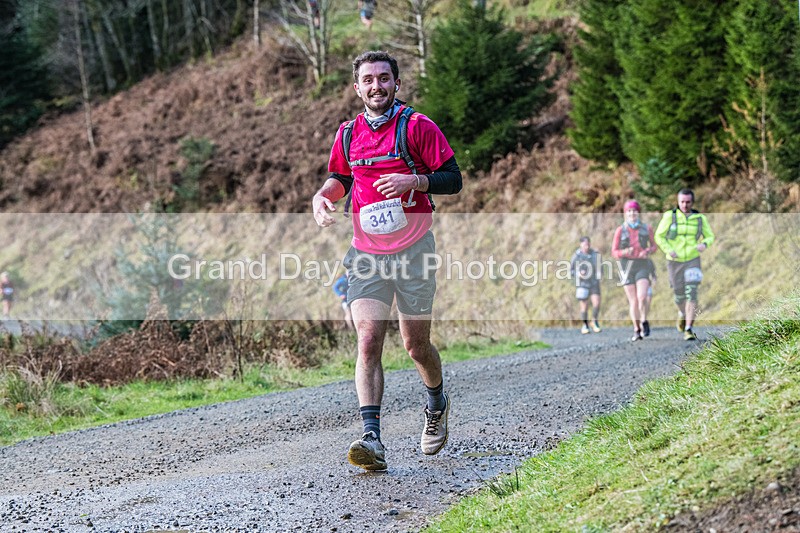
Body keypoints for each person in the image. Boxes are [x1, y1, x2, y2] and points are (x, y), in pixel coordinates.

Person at [312, 51, 462, 471]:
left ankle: (436, 403)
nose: (376, 86)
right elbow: (341, 178)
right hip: (366, 254)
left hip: (414, 251)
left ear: (397, 84)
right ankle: (372, 439)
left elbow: (453, 178)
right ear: (357, 87)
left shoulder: (417, 127)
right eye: (368, 80)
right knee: (368, 338)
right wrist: (322, 197)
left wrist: (413, 180)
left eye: (383, 78)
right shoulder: (347, 134)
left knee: (415, 346)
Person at [654, 188, 715, 341]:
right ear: (678, 201)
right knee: (678, 294)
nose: (685, 205)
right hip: (674, 261)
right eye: (682, 202)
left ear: (692, 202)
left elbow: (710, 236)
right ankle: (682, 313)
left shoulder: (700, 218)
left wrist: (704, 244)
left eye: (688, 202)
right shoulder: (670, 217)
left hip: (693, 259)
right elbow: (659, 236)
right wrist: (669, 249)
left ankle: (689, 328)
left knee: (692, 292)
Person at [611, 200, 657, 341]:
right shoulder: (620, 230)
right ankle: (637, 329)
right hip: (626, 266)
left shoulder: (646, 228)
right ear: (625, 214)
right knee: (633, 301)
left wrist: (647, 251)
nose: (632, 213)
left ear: (638, 213)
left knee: (642, 297)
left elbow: (654, 246)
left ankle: (644, 319)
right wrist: (625, 252)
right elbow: (614, 252)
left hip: (642, 264)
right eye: (629, 211)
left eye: (634, 211)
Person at [569, 236, 602, 334]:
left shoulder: (595, 254)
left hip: (594, 282)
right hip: (582, 283)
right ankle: (585, 324)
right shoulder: (576, 256)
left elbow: (600, 267)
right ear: (580, 244)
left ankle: (594, 321)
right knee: (584, 305)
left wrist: (599, 275)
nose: (586, 247)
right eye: (584, 244)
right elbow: (571, 270)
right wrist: (578, 274)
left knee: (596, 302)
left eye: (588, 244)